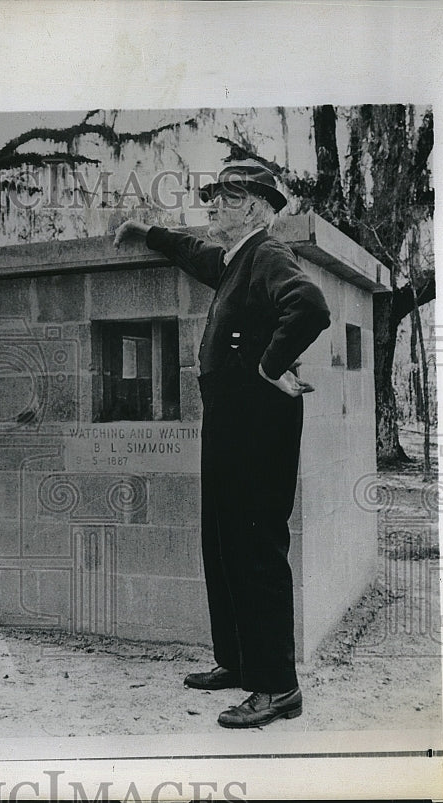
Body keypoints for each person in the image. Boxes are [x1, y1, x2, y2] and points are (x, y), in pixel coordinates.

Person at [114, 161, 331, 728]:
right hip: (230, 423)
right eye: (212, 199)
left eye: (225, 199)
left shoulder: (267, 255)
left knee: (256, 550)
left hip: (258, 425)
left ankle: (278, 688)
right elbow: (193, 253)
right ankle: (238, 663)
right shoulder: (235, 261)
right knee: (222, 542)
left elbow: (309, 306)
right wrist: (147, 232)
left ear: (257, 209)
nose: (212, 208)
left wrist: (270, 365)